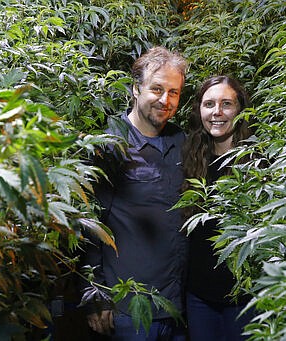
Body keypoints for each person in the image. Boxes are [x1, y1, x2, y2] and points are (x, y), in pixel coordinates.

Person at [81, 46, 189, 340]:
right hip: (130, 312)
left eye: (174, 92)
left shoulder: (182, 141)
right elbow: (89, 226)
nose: (165, 100)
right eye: (156, 89)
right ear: (135, 89)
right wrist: (94, 294)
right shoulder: (109, 146)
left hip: (180, 307)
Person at [181, 75, 254, 341]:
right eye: (209, 104)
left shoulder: (257, 161)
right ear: (199, 109)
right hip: (200, 296)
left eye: (226, 104)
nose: (217, 112)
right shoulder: (191, 157)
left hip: (245, 296)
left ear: (240, 109)